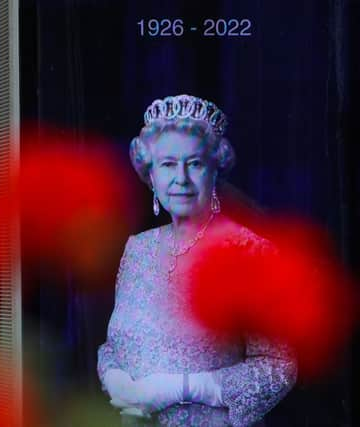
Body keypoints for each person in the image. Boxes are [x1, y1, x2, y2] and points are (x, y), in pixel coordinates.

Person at [97, 95, 297, 427]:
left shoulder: (249, 251)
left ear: (215, 169)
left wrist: (182, 388)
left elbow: (279, 367)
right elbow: (113, 346)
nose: (181, 179)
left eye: (195, 163)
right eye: (168, 164)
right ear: (150, 173)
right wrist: (115, 379)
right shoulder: (137, 249)